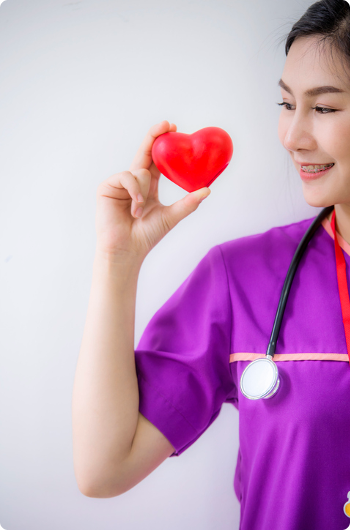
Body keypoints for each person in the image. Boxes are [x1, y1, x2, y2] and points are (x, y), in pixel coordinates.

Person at [72, 0, 350, 528]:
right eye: (287, 104)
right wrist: (118, 260)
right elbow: (103, 469)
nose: (292, 136)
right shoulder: (241, 278)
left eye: (325, 107)